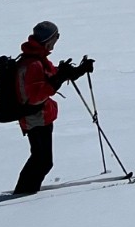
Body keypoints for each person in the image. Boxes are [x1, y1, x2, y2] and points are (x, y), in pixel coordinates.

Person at [12, 20, 94, 195]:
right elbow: (35, 96)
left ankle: (25, 191)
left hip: (40, 116)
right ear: (49, 40)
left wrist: (76, 71)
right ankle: (23, 194)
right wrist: (58, 80)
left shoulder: (37, 57)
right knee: (42, 160)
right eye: (56, 38)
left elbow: (49, 77)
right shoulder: (33, 62)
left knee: (41, 159)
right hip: (35, 118)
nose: (57, 41)